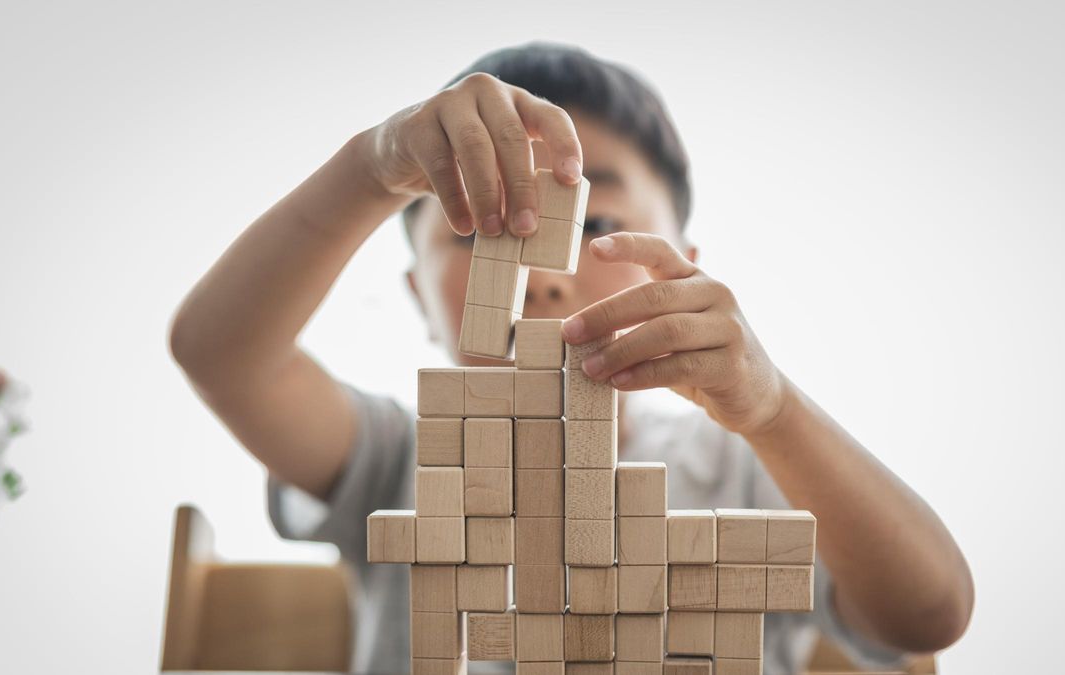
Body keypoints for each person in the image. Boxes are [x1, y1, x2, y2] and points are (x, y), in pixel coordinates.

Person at [170, 43, 973, 674]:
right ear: (419, 295)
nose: (542, 276)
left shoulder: (749, 472)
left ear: (684, 266)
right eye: (480, 232)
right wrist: (371, 168)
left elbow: (927, 613)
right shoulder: (399, 459)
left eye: (593, 226)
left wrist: (773, 411)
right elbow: (221, 355)